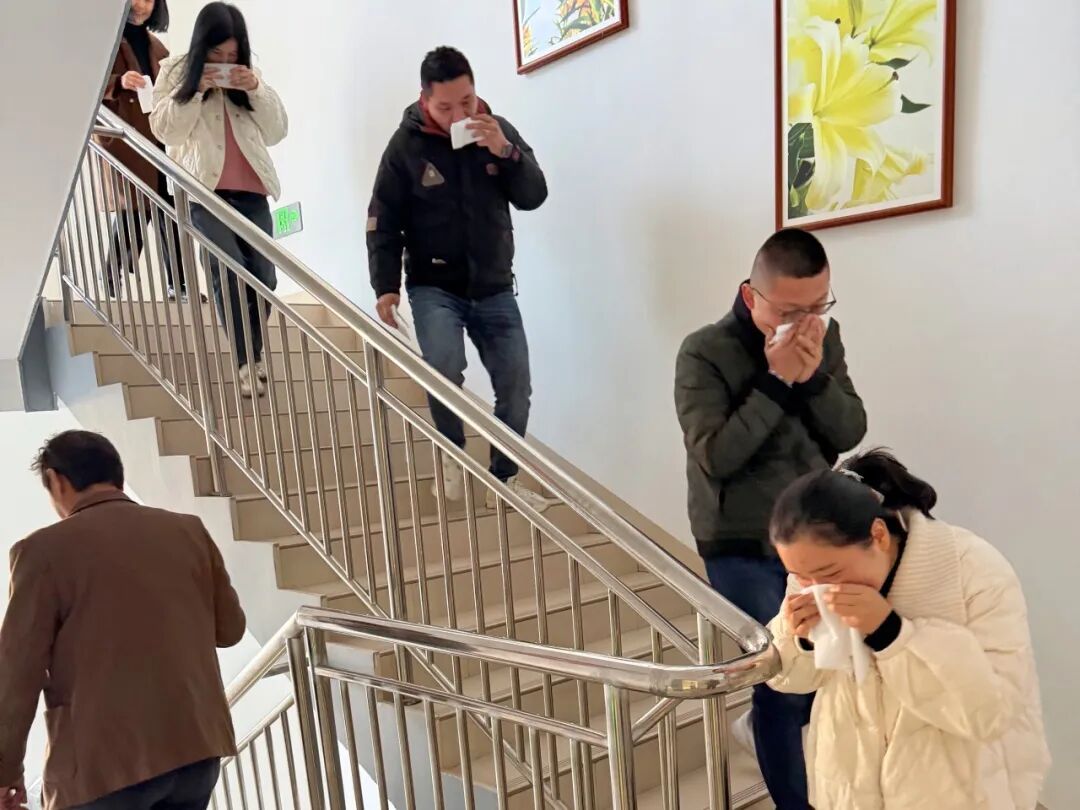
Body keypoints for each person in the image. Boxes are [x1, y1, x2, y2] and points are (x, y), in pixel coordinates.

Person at [673, 228, 866, 809]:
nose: (804, 323)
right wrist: (777, 380)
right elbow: (717, 455)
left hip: (814, 533)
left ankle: (769, 738)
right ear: (750, 294)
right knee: (784, 678)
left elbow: (849, 431)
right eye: (788, 311)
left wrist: (813, 378)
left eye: (817, 307)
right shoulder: (704, 351)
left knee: (829, 669)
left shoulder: (824, 339)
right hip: (740, 541)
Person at [768, 450, 1050, 809]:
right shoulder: (811, 573)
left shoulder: (975, 571)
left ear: (878, 535)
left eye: (830, 574)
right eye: (799, 576)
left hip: (958, 790)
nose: (815, 588)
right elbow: (789, 676)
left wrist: (891, 633)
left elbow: (993, 713)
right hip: (848, 786)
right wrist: (800, 640)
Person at [0, 431, 246, 810]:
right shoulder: (188, 530)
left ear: (56, 480)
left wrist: (5, 770)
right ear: (117, 474)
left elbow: (17, 673)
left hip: (102, 768)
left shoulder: (41, 552)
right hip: (194, 750)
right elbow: (230, 630)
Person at [367, 46, 552, 513]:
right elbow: (383, 219)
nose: (458, 115)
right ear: (424, 99)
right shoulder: (404, 147)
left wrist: (506, 153)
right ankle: (451, 453)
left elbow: (534, 195)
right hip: (433, 285)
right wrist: (385, 286)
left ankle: (503, 479)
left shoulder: (496, 130)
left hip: (494, 285)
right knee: (444, 367)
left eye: (466, 102)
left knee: (516, 387)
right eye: (445, 107)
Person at [150, 2, 288, 399]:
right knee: (227, 269)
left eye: (232, 55)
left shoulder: (249, 77)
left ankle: (251, 355)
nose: (225, 63)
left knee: (264, 278)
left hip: (254, 191)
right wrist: (196, 88)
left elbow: (277, 131)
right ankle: (246, 362)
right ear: (201, 46)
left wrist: (254, 88)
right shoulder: (175, 71)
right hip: (204, 192)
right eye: (216, 54)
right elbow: (165, 130)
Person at [98, 0, 194, 302]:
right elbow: (87, 83)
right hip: (127, 137)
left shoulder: (157, 47)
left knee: (169, 209)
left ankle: (179, 284)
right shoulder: (107, 39)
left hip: (158, 137)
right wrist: (118, 82)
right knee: (135, 211)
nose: (142, 5)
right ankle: (111, 277)